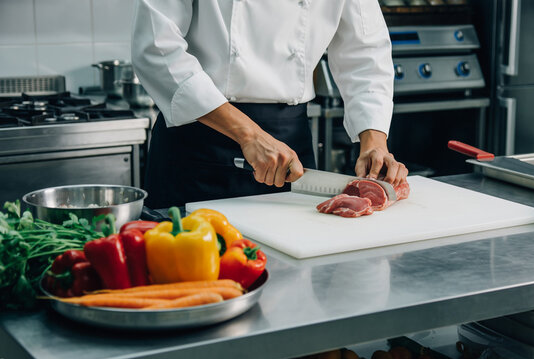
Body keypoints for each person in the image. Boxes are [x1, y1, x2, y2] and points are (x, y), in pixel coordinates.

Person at [131, 0, 408, 209]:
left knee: (292, 276)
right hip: (200, 139)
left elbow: (365, 50)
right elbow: (157, 46)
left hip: (289, 151)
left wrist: (374, 141)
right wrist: (249, 135)